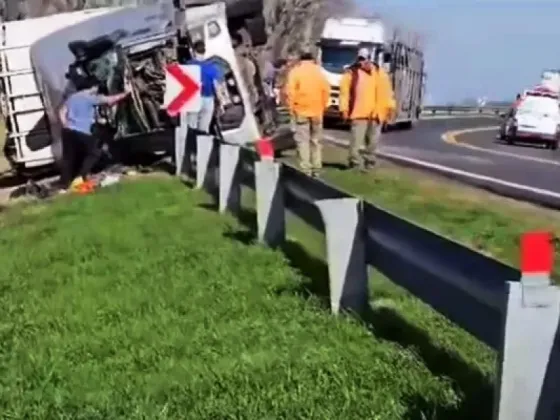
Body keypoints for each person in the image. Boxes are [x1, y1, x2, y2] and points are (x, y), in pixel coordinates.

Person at [57, 77, 130, 192]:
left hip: (67, 131)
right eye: (97, 87)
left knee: (68, 158)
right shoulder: (90, 98)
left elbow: (61, 111)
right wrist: (126, 94)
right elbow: (110, 100)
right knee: (94, 153)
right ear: (93, 87)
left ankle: (63, 185)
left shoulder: (72, 97)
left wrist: (65, 123)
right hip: (82, 131)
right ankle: (80, 177)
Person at [339, 47, 396, 171]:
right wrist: (343, 109)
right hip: (358, 113)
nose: (362, 61)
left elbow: (388, 92)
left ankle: (369, 164)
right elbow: (344, 93)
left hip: (376, 114)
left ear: (371, 59)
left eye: (365, 58)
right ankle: (353, 164)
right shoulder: (351, 73)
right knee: (356, 142)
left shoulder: (380, 73)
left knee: (372, 143)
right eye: (360, 58)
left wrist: (390, 108)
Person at [285, 49, 330, 177]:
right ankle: (317, 168)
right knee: (316, 141)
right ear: (312, 59)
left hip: (301, 111)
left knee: (302, 141)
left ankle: (305, 169)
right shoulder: (319, 72)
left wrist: (291, 109)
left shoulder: (296, 72)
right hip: (317, 111)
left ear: (300, 59)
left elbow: (290, 92)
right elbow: (326, 90)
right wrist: (322, 106)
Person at [183, 40, 222, 133]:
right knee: (204, 129)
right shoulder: (211, 67)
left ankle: (191, 145)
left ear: (193, 51)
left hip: (194, 98)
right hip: (209, 100)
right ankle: (202, 144)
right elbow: (217, 86)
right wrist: (220, 101)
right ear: (204, 51)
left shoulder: (189, 65)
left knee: (191, 127)